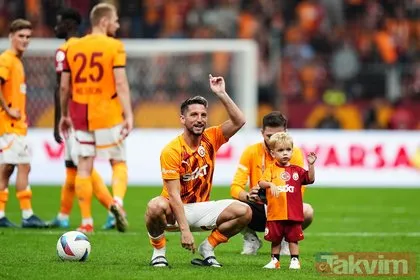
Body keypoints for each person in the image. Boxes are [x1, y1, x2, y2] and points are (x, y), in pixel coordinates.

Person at [145, 75, 251, 268]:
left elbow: (239, 120)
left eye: (203, 115)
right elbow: (174, 195)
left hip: (201, 209)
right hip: (174, 211)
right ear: (182, 119)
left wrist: (221, 94)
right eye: (194, 115)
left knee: (244, 211)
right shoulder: (172, 150)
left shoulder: (212, 137)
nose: (199, 119)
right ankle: (158, 252)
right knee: (154, 206)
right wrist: (185, 231)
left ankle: (208, 248)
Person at [59, 3, 131, 233]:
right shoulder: (114, 46)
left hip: (80, 114)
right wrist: (128, 113)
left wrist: (63, 115)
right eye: (115, 20)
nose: (118, 25)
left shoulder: (73, 47)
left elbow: (64, 87)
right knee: (117, 162)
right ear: (103, 22)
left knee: (84, 167)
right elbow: (120, 82)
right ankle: (117, 202)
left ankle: (86, 221)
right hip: (107, 113)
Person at [230, 112, 315, 255]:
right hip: (257, 208)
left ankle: (286, 239)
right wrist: (248, 196)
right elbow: (235, 187)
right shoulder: (250, 152)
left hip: (283, 208)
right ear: (262, 132)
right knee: (233, 206)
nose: (273, 141)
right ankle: (250, 238)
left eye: (278, 135)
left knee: (307, 211)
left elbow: (301, 188)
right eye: (269, 136)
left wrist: (278, 199)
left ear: (286, 133)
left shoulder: (294, 154)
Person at [0, 19, 47, 228]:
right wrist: (8, 109)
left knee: (20, 167)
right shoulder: (7, 60)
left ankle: (25, 215)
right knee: (8, 167)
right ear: (11, 36)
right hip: (8, 124)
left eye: (28, 37)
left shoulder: (17, 61)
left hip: (18, 125)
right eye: (21, 36)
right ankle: (10, 215)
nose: (25, 40)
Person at [258, 132, 316, 269]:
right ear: (273, 153)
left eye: (288, 150)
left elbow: (310, 179)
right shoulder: (271, 169)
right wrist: (270, 184)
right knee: (275, 239)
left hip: (293, 213)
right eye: (280, 150)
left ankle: (295, 261)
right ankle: (275, 261)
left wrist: (311, 165)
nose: (285, 153)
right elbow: (261, 182)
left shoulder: (297, 171)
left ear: (292, 151)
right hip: (275, 213)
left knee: (293, 239)